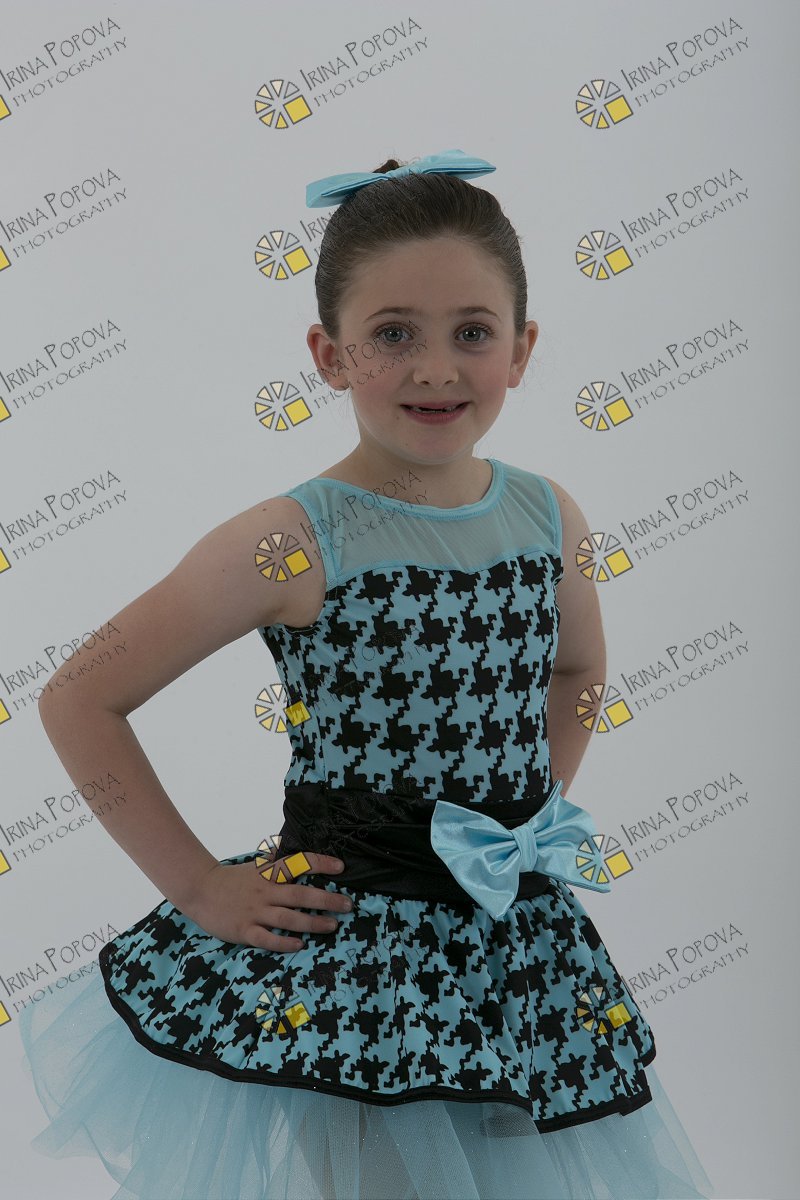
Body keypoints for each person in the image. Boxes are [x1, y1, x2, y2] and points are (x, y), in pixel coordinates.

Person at [17, 148, 717, 1200]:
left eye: (471, 333)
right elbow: (80, 695)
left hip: (514, 945)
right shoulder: (294, 540)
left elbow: (576, 669)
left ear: (522, 348)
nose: (435, 369)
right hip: (354, 954)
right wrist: (198, 885)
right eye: (393, 335)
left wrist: (515, 828)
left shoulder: (546, 515)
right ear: (329, 354)